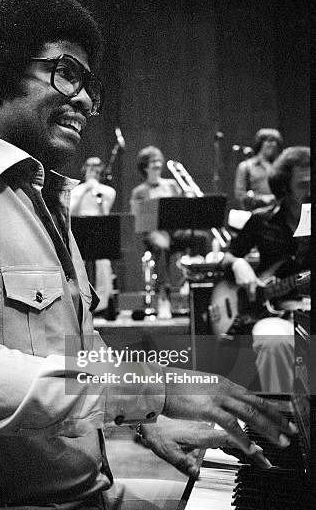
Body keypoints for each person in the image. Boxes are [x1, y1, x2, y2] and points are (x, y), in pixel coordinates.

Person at [0, 0, 297, 510]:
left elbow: (78, 351)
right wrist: (157, 389)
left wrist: (149, 423)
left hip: (88, 501)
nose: (86, 100)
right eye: (66, 73)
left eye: (92, 85)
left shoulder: (49, 201)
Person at [222, 146, 310, 393]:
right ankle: (280, 421)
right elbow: (227, 257)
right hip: (274, 315)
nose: (311, 191)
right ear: (284, 186)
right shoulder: (262, 219)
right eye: (304, 184)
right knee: (272, 340)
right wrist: (238, 263)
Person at [130, 146, 209, 319]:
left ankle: (192, 281)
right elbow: (139, 219)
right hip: (154, 233)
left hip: (175, 231)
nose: (157, 164)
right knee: (162, 245)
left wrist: (187, 199)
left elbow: (182, 210)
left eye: (159, 160)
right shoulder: (139, 192)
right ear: (145, 166)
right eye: (153, 161)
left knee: (201, 238)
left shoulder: (171, 184)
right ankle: (164, 298)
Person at [70, 156, 116, 314]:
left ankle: (102, 304)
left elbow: (105, 212)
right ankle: (82, 302)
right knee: (78, 266)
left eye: (96, 169)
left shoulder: (108, 191)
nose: (92, 172)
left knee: (103, 266)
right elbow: (71, 210)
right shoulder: (76, 190)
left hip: (99, 233)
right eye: (90, 168)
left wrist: (95, 190)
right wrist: (85, 189)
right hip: (80, 233)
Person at [234, 128, 283, 210]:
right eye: (270, 141)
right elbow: (240, 194)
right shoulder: (246, 166)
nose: (274, 144)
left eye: (276, 142)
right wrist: (261, 199)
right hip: (256, 212)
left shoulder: (280, 166)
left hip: (278, 212)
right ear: (261, 143)